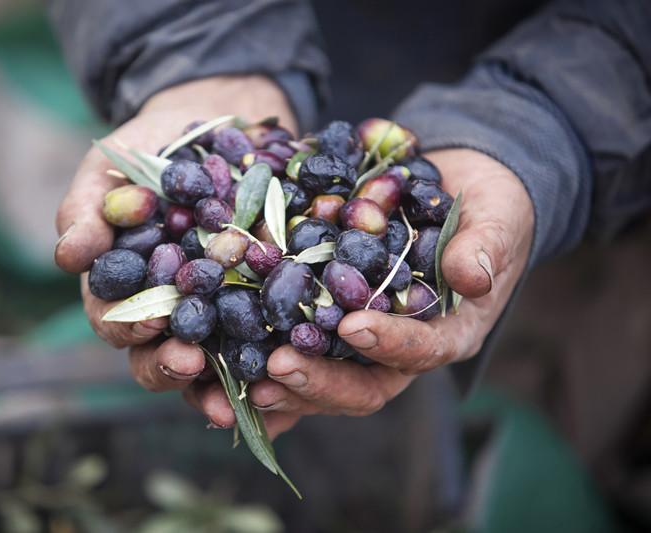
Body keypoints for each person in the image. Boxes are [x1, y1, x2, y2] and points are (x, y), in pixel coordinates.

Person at [49, 0, 651, 439]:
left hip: (605, 163)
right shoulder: (259, 221)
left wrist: (549, 130)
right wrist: (188, 53)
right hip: (295, 67)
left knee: (580, 400)